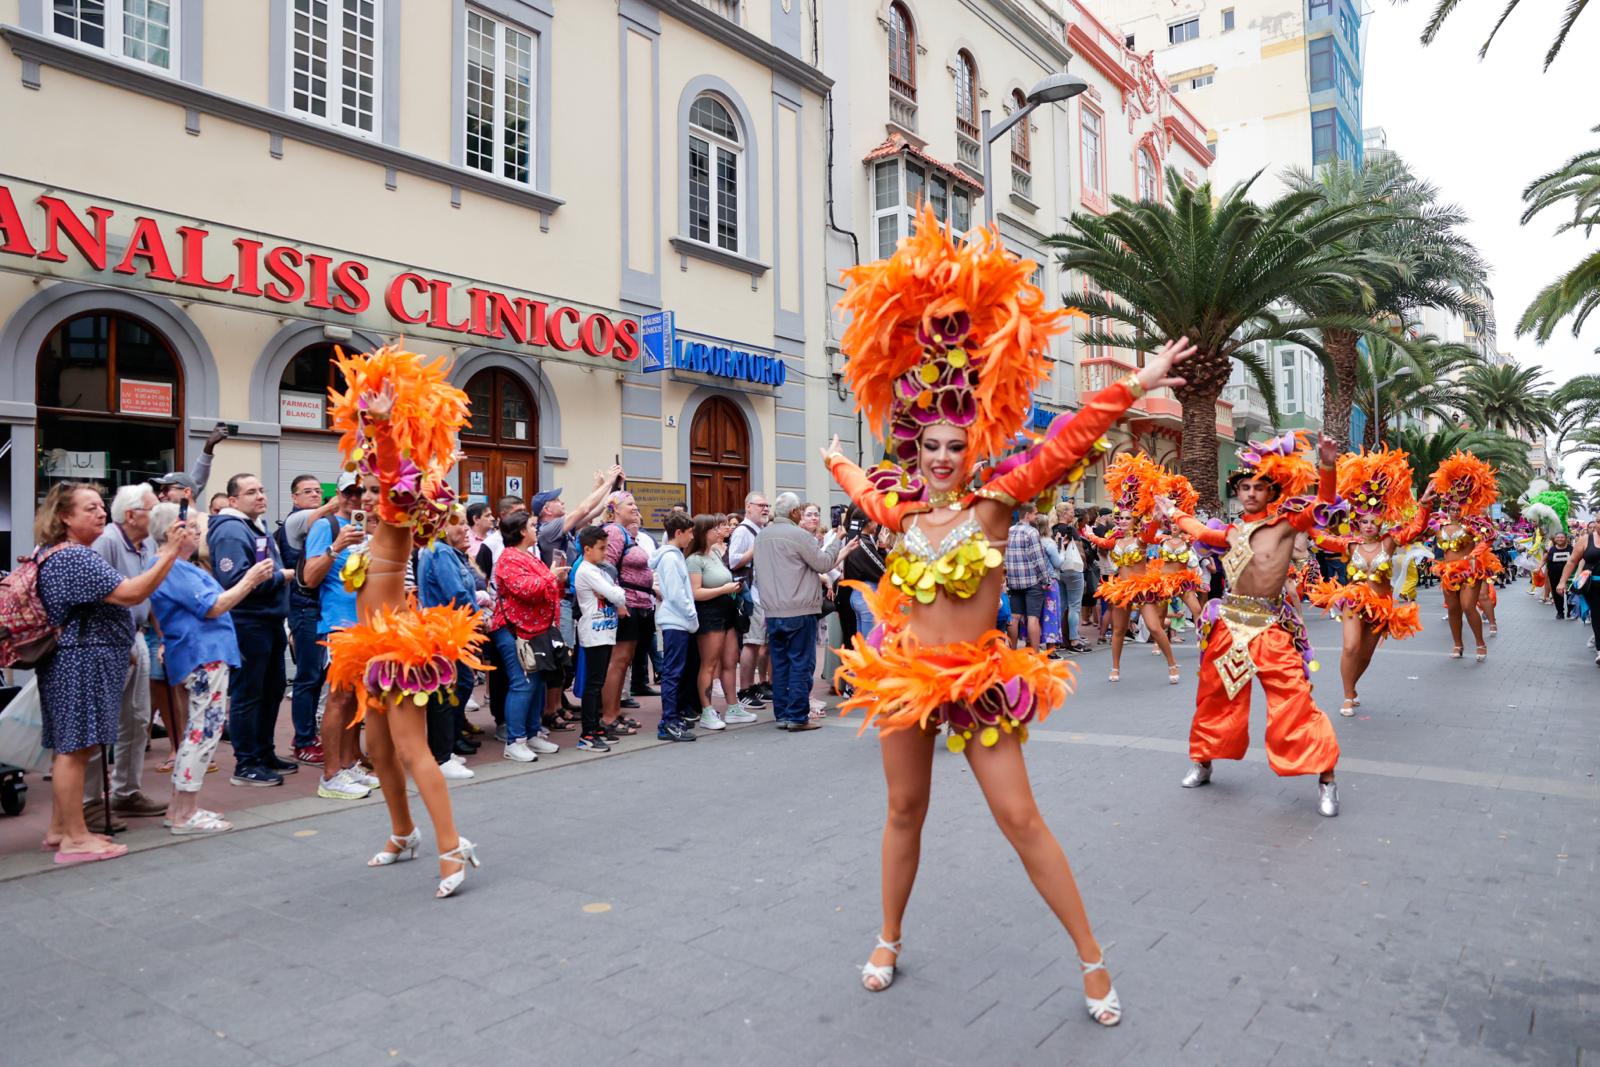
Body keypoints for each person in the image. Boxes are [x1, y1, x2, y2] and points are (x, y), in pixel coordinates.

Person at [825, 214, 1194, 1024]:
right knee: (902, 809)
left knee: (1021, 816)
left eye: (958, 444)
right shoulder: (900, 513)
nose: (945, 457)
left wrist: (1141, 380)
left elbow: (1067, 440)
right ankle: (887, 935)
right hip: (903, 681)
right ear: (915, 449)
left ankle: (1093, 960)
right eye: (932, 446)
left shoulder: (995, 507)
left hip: (982, 679)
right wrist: (835, 457)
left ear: (972, 445)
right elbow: (861, 488)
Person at [323, 344, 488, 897]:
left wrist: (382, 424)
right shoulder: (366, 534)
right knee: (376, 751)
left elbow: (395, 472)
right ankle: (402, 832)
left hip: (400, 652)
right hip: (370, 649)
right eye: (360, 491)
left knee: (413, 752)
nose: (366, 498)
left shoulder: (395, 521)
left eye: (372, 490)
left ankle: (450, 847)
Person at [1157, 430, 1343, 816]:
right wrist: (1171, 513)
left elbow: (1324, 502)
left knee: (1294, 699)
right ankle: (1203, 760)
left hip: (1270, 627)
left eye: (1259, 487)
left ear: (1271, 491)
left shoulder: (1288, 524)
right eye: (1245, 487)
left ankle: (1326, 779)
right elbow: (1199, 531)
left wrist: (1327, 465)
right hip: (1228, 627)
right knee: (1214, 699)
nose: (1251, 493)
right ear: (1236, 492)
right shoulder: (1229, 533)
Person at [32, 482, 186, 862]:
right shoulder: (75, 558)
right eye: (90, 508)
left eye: (101, 506)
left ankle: (60, 829)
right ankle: (76, 838)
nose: (101, 513)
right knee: (76, 750)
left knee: (71, 748)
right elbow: (131, 593)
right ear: (64, 517)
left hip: (79, 658)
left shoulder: (63, 554)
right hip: (81, 661)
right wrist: (168, 554)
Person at [147, 502, 276, 834]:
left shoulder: (174, 566)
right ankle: (184, 813)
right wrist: (248, 580)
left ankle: (181, 808)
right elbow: (213, 607)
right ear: (171, 532)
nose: (197, 531)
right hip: (202, 654)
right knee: (203, 731)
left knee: (200, 730)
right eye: (190, 526)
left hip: (200, 652)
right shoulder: (172, 566)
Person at [1307, 449, 1436, 716]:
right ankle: (1346, 695)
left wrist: (1424, 504)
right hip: (1353, 601)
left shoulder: (1389, 542)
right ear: (1356, 521)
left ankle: (1352, 687)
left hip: (1380, 605)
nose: (1368, 525)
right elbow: (1319, 538)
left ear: (1381, 522)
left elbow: (1416, 529)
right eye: (1363, 521)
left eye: (1373, 521)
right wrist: (1307, 514)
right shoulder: (1348, 544)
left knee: (1365, 655)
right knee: (1350, 647)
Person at [207, 474, 296, 788]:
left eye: (261, 489)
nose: (260, 496)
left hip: (267, 621)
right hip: (248, 623)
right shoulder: (232, 530)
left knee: (271, 691)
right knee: (248, 694)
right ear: (233, 501)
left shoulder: (254, 526)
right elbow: (236, 581)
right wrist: (283, 577)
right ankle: (246, 764)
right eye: (250, 492)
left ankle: (264, 753)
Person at [86, 484, 164, 821]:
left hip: (136, 635)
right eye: (154, 509)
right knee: (101, 723)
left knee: (137, 719)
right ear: (131, 515)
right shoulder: (107, 541)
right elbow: (95, 597)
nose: (160, 515)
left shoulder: (145, 542)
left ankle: (127, 791)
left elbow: (150, 592)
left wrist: (163, 636)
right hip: (108, 639)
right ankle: (90, 801)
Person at [300, 473, 374, 800]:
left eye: (361, 492)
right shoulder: (325, 526)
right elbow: (309, 577)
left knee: (356, 700)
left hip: (366, 625)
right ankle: (330, 775)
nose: (355, 498)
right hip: (339, 625)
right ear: (338, 493)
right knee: (339, 697)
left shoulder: (369, 528)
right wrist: (336, 546)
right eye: (349, 492)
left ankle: (347, 764)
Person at [1081, 455, 1180, 684]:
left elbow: (1152, 529)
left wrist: (1156, 516)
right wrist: (1087, 533)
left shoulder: (1141, 539)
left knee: (1155, 627)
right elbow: (1100, 542)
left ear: (1134, 521)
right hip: (1122, 589)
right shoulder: (1114, 540)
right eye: (1119, 517)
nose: (1122, 520)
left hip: (1142, 587)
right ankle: (1115, 667)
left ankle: (1172, 664)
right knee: (1118, 630)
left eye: (1127, 518)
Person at [754, 493, 848, 732]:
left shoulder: (762, 536)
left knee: (781, 663)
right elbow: (824, 563)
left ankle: (782, 714)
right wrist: (837, 539)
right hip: (798, 608)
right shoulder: (799, 535)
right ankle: (797, 716)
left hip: (773, 610)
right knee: (800, 664)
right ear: (795, 513)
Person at [418, 518, 490, 779]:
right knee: (446, 690)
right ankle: (442, 755)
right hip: (444, 629)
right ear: (440, 527)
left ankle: (446, 748)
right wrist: (480, 615)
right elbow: (456, 594)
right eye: (457, 523)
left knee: (455, 687)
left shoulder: (447, 552)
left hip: (450, 628)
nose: (463, 528)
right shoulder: (440, 552)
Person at [489, 511, 563, 762]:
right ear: (521, 531)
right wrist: (551, 576)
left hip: (535, 630)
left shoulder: (527, 556)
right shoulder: (509, 558)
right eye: (532, 525)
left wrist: (553, 578)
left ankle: (531, 734)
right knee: (522, 682)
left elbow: (545, 588)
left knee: (537, 681)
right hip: (513, 630)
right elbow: (527, 590)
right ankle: (515, 741)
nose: (536, 529)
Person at [278, 473, 341, 765]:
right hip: (303, 608)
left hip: (319, 608)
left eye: (318, 490)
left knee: (318, 676)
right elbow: (325, 510)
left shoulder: (321, 523)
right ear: (294, 497)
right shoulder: (296, 521)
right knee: (307, 676)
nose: (315, 495)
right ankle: (302, 740)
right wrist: (348, 492)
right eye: (307, 491)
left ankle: (309, 734)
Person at [1429, 451, 1503, 661]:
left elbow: (1489, 537)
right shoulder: (1439, 525)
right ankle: (1458, 644)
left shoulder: (1473, 524)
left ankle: (1480, 643)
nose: (1454, 510)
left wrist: (1475, 554)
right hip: (1448, 572)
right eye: (1451, 507)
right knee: (1453, 609)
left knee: (1468, 607)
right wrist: (1424, 505)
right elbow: (1417, 527)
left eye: (1458, 507)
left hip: (1470, 570)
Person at [598, 492, 654, 737]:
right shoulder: (613, 531)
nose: (635, 507)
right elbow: (606, 568)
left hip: (635, 604)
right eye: (630, 503)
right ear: (615, 509)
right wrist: (618, 602)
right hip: (625, 605)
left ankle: (615, 711)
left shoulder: (623, 532)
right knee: (617, 662)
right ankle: (608, 716)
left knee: (624, 661)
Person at [574, 525, 628, 752]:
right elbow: (617, 594)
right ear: (587, 549)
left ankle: (595, 728)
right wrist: (614, 592)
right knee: (593, 685)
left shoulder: (597, 570)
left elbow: (614, 592)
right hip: (594, 633)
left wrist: (612, 591)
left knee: (598, 682)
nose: (605, 553)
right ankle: (587, 733)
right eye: (601, 548)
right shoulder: (586, 570)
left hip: (605, 631)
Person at [687, 514, 743, 731]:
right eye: (714, 529)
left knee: (730, 660)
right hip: (709, 614)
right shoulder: (694, 559)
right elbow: (696, 592)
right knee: (709, 664)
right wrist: (724, 589)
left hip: (727, 611)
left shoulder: (715, 554)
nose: (718, 532)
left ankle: (733, 706)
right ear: (703, 533)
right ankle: (707, 709)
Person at [650, 511, 699, 742]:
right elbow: (676, 594)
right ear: (678, 533)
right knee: (672, 673)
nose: (691, 538)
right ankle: (668, 722)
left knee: (675, 672)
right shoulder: (670, 558)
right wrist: (691, 614)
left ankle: (672, 718)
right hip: (675, 621)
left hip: (678, 621)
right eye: (689, 533)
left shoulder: (674, 555)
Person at [729, 491, 771, 708]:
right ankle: (744, 690)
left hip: (762, 594)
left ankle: (755, 686)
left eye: (767, 505)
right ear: (748, 507)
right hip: (750, 595)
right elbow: (733, 562)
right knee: (751, 643)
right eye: (760, 505)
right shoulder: (742, 532)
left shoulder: (760, 530)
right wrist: (755, 549)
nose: (765, 509)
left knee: (759, 643)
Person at [151, 424, 230, 507]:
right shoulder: (157, 517)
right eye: (160, 491)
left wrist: (209, 446)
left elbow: (197, 480)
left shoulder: (199, 519)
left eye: (166, 490)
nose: (160, 496)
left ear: (187, 492)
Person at [1557, 518, 1600, 666]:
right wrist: (1563, 581)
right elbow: (1572, 561)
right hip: (1594, 585)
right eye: (1599, 521)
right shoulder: (1585, 540)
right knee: (1598, 614)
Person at [1052, 503, 1089, 654]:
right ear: (1065, 513)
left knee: (1061, 606)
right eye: (1072, 511)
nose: (1073, 514)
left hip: (1059, 570)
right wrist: (1085, 565)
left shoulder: (1053, 529)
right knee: (1074, 606)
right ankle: (1074, 639)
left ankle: (1056, 639)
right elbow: (1080, 551)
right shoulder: (1070, 529)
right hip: (1073, 570)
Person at [1545, 531, 1574, 619]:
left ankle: (1570, 611)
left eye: (1562, 537)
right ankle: (1560, 612)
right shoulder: (1552, 549)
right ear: (1555, 539)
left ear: (1566, 538)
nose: (1560, 539)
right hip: (1554, 575)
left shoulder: (1571, 549)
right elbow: (1547, 562)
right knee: (1557, 594)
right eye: (1558, 537)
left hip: (1569, 576)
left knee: (1570, 593)